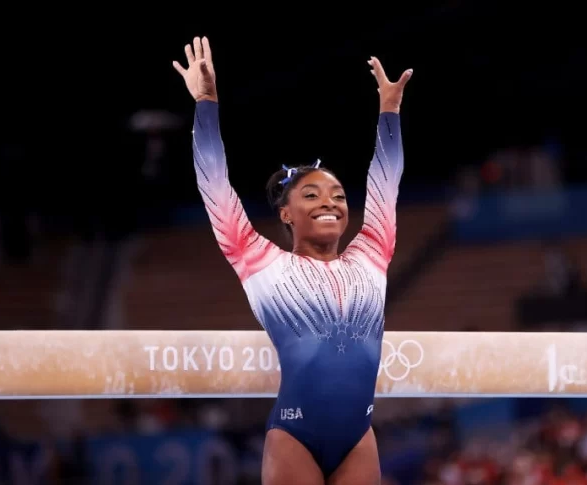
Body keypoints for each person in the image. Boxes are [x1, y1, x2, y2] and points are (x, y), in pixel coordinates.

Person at [173, 36, 412, 484]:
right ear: (286, 213)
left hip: (359, 436)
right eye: (312, 194)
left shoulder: (372, 253)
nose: (331, 202)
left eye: (339, 195)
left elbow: (386, 178)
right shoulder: (260, 260)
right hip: (295, 436)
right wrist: (205, 102)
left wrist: (389, 113)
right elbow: (215, 183)